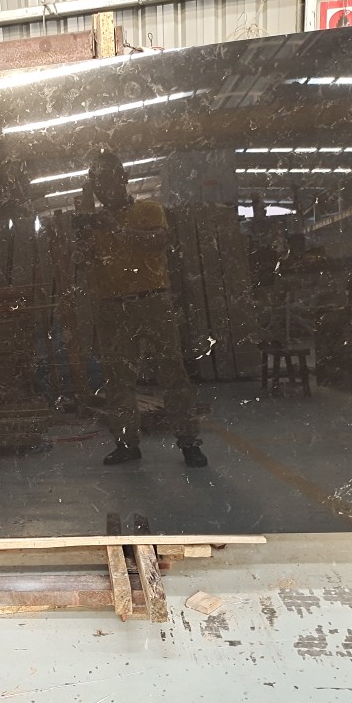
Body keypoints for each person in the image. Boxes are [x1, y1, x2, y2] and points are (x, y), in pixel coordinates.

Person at [83, 148, 207, 468]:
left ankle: (188, 441)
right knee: (118, 378)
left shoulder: (149, 210)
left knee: (171, 371)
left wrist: (115, 229)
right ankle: (127, 444)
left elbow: (157, 241)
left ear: (124, 178)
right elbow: (86, 263)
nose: (102, 190)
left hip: (152, 300)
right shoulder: (95, 223)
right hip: (112, 306)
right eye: (96, 185)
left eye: (107, 181)